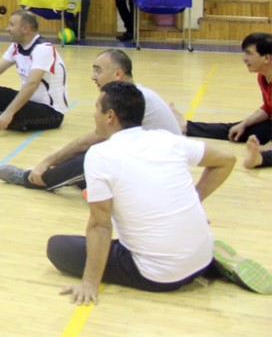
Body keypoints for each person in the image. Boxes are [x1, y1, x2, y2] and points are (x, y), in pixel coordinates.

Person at [46, 81, 272, 301]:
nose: (94, 114)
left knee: (57, 247)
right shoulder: (166, 139)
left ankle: (179, 260)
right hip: (201, 257)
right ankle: (208, 263)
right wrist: (195, 198)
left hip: (159, 276)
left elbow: (100, 225)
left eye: (97, 108)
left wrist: (89, 282)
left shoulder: (99, 155)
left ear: (110, 116)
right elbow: (227, 159)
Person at [0, 49, 178, 191]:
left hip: (158, 176)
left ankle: (32, 180)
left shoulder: (128, 100)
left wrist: (47, 162)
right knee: (88, 155)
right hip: (157, 167)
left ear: (118, 74)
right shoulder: (135, 93)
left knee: (92, 157)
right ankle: (79, 179)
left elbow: (91, 140)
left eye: (98, 71)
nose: (93, 77)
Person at [181, 32, 272, 157]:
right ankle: (186, 126)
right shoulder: (262, 77)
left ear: (266, 58)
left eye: (249, 53)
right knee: (237, 130)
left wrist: (268, 149)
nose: (244, 58)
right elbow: (267, 108)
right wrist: (245, 123)